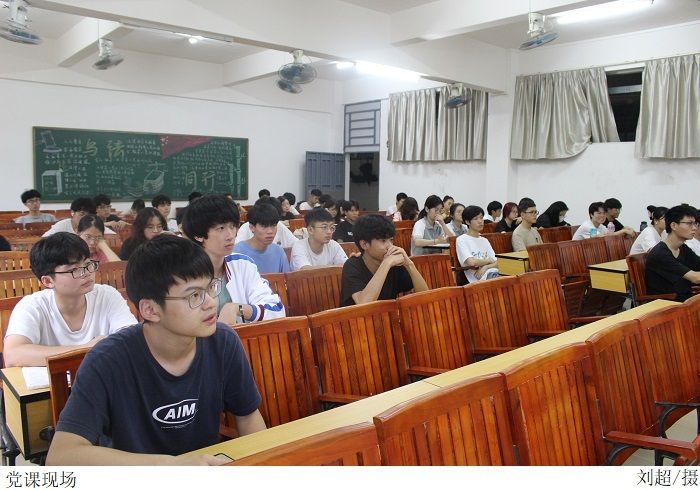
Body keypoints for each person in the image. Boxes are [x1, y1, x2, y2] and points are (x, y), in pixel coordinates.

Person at [45, 235, 266, 465]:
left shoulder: (222, 342)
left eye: (210, 288)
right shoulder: (108, 360)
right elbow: (61, 456)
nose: (211, 302)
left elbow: (248, 418)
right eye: (194, 295)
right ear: (150, 310)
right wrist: (171, 466)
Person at [4, 233, 136, 367]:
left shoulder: (107, 295)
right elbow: (13, 355)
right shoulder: (32, 306)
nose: (86, 273)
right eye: (74, 270)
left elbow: (132, 340)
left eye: (88, 264)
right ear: (48, 281)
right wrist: (85, 349)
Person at [182, 195, 285, 324]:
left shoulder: (242, 264)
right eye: (221, 228)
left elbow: (276, 310)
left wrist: (237, 309)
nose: (230, 235)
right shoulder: (181, 273)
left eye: (232, 226)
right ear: (198, 235)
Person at [340, 215, 428, 306]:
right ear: (364, 244)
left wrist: (409, 264)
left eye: (391, 240)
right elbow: (364, 304)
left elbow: (424, 297)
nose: (390, 246)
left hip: (388, 315)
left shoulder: (395, 264)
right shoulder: (352, 266)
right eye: (383, 240)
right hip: (358, 315)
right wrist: (386, 264)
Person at [645, 204, 700, 301]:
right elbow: (695, 278)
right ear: (673, 225)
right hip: (667, 305)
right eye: (689, 223)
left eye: (695, 223)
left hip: (685, 299)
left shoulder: (682, 248)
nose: (694, 228)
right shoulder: (660, 254)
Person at [234, 203, 290, 274]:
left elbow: (287, 279)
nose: (270, 231)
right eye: (264, 226)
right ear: (252, 227)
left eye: (273, 225)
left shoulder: (278, 251)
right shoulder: (237, 253)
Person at [456, 205, 499, 283]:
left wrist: (486, 267)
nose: (480, 221)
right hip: (479, 280)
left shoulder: (484, 240)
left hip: (493, 273)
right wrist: (488, 260)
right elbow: (471, 262)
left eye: (481, 218)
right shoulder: (461, 240)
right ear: (467, 222)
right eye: (476, 219)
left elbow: (497, 262)